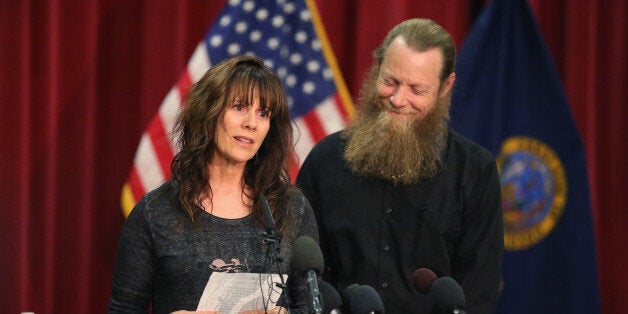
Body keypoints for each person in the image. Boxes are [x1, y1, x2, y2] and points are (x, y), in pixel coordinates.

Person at [296, 18, 503, 313]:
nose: (398, 99)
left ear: (446, 86)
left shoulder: (475, 172)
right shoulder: (325, 160)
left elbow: (478, 292)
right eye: (390, 81)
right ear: (377, 67)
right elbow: (304, 278)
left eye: (417, 90)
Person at [108, 55, 318, 314]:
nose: (251, 123)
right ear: (208, 112)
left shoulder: (292, 209)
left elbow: (311, 307)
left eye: (263, 113)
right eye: (239, 107)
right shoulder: (155, 212)